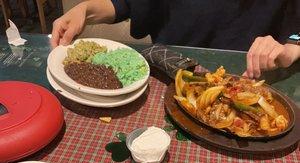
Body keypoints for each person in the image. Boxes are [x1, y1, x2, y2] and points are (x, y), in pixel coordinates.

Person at [51, 0, 300, 79]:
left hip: (249, 81)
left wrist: (291, 48)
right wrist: (84, 9)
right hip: (170, 79)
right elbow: (127, 3)